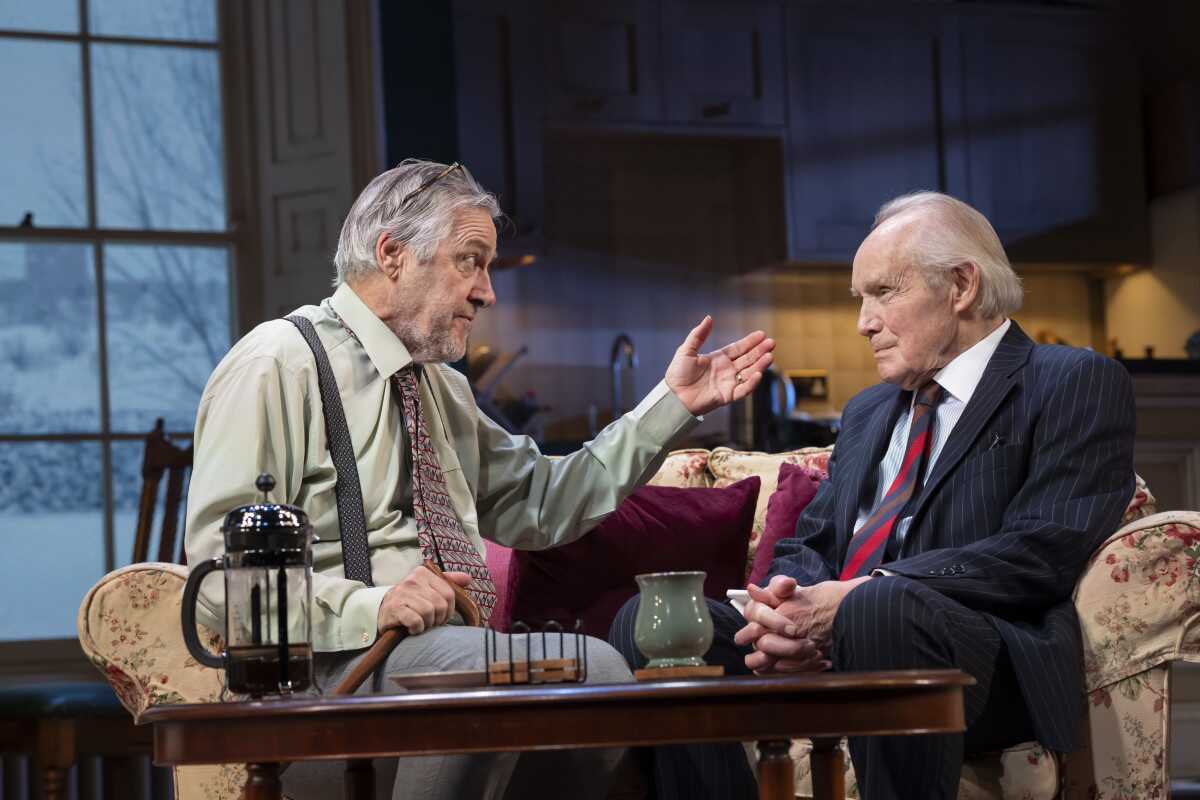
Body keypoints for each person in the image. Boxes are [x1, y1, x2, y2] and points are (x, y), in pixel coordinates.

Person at [184, 158, 775, 800]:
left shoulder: (441, 389)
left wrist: (672, 405)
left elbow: (542, 502)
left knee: (596, 689)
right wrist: (372, 605)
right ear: (392, 254)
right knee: (584, 669)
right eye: (469, 261)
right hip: (327, 677)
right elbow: (220, 579)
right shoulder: (278, 363)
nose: (486, 292)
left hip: (444, 664)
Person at [610, 191, 1136, 800]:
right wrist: (787, 611)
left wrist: (858, 596)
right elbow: (812, 540)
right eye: (860, 298)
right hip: (841, 638)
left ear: (961, 285)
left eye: (884, 292)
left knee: (878, 608)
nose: (863, 322)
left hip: (976, 657)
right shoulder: (868, 410)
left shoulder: (1070, 380)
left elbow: (1044, 547)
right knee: (650, 625)